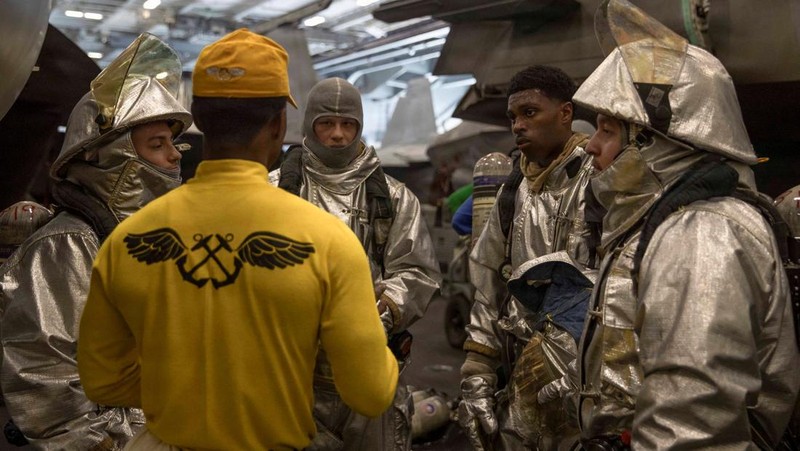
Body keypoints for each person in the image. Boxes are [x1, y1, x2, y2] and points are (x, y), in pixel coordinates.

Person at [76, 29, 398, 451]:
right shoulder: (327, 241)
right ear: (279, 124)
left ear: (199, 119)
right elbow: (369, 393)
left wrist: (185, 391)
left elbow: (102, 380)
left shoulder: (128, 238)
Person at [567, 0, 799, 448]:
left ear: (653, 142)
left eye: (608, 130)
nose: (591, 146)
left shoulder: (702, 233)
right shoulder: (662, 220)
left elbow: (692, 427)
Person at [0, 33, 191, 449]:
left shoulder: (155, 237)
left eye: (173, 142)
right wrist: (95, 445)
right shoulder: (67, 244)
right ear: (113, 156)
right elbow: (41, 367)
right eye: (157, 145)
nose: (175, 156)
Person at [270, 76, 441, 450]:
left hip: (370, 366)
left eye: (348, 124)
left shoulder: (393, 198)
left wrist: (377, 316)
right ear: (309, 126)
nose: (337, 135)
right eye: (326, 124)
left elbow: (417, 271)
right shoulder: (274, 190)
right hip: (291, 373)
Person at [457, 65, 596, 450]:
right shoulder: (513, 191)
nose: (518, 125)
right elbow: (488, 281)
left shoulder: (599, 181)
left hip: (590, 379)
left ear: (565, 113)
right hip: (524, 367)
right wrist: (478, 369)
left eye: (530, 112)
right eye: (513, 117)